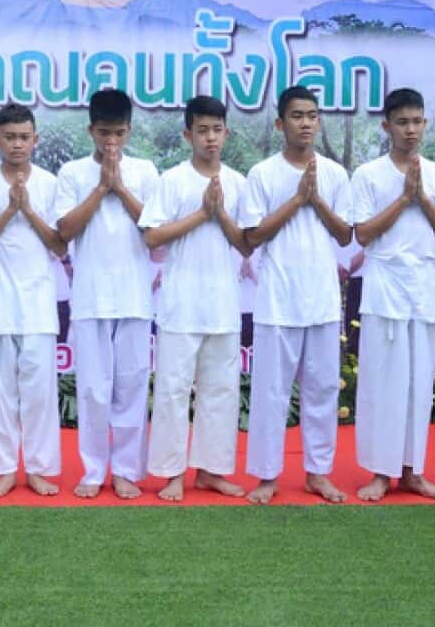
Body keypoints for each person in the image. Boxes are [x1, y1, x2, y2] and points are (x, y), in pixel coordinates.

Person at [239, 85, 352, 504]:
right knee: (271, 392)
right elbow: (252, 236)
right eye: (297, 116)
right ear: (280, 123)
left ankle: (317, 473)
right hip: (276, 301)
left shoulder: (335, 174)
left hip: (321, 299)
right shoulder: (263, 174)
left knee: (323, 389)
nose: (306, 123)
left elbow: (345, 235)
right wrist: (296, 200)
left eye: (312, 115)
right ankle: (267, 476)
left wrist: (316, 199)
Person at [138, 95, 251, 502]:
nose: (210, 138)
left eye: (216, 129)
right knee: (172, 389)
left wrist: (219, 214)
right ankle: (171, 473)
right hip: (180, 305)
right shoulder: (173, 180)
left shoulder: (238, 183)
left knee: (220, 390)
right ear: (188, 134)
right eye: (201, 130)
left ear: (226, 132)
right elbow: (151, 235)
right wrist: (201, 215)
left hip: (222, 303)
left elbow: (246, 242)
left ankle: (211, 471)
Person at [351, 88, 435, 502]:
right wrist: (403, 198)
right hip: (384, 288)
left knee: (418, 382)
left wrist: (422, 198)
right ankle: (381, 472)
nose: (410, 130)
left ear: (425, 124)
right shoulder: (369, 174)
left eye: (417, 122)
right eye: (402, 122)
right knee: (383, 381)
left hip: (425, 289)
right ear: (386, 126)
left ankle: (413, 471)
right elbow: (363, 232)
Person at [54, 89, 158, 499]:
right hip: (91, 296)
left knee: (131, 385)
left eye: (118, 133)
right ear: (90, 130)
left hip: (134, 295)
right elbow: (64, 231)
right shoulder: (72, 173)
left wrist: (120, 187)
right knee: (94, 389)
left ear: (129, 130)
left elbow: (153, 230)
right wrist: (100, 189)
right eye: (103, 133)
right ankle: (94, 470)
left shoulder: (147, 171)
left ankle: (127, 470)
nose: (110, 142)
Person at [0, 103, 67, 498]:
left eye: (25, 137)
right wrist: (9, 210)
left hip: (39, 305)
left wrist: (28, 209)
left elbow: (59, 244)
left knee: (39, 393)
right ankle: (4, 468)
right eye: (10, 137)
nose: (18, 144)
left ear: (35, 139)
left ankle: (39, 469)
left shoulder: (51, 184)